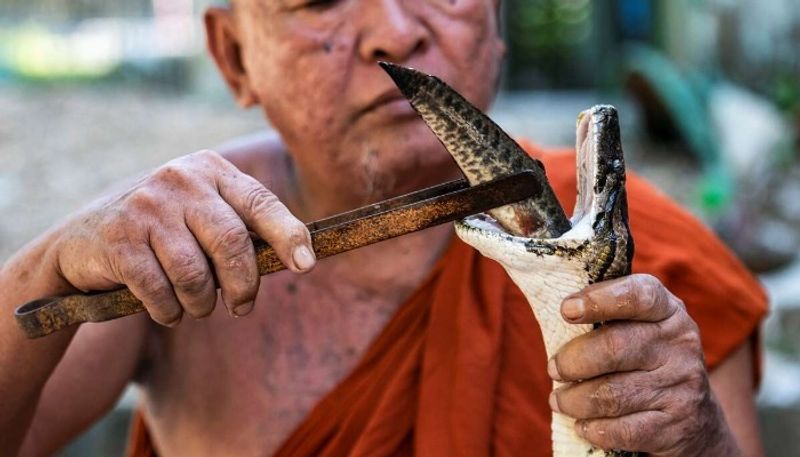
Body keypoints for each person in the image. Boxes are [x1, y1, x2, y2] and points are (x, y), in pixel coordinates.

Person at [0, 1, 767, 456]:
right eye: (319, 1)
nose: (393, 31)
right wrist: (42, 270)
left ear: (497, 19)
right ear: (234, 57)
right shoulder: (175, 245)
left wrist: (699, 440)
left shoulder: (652, 256)